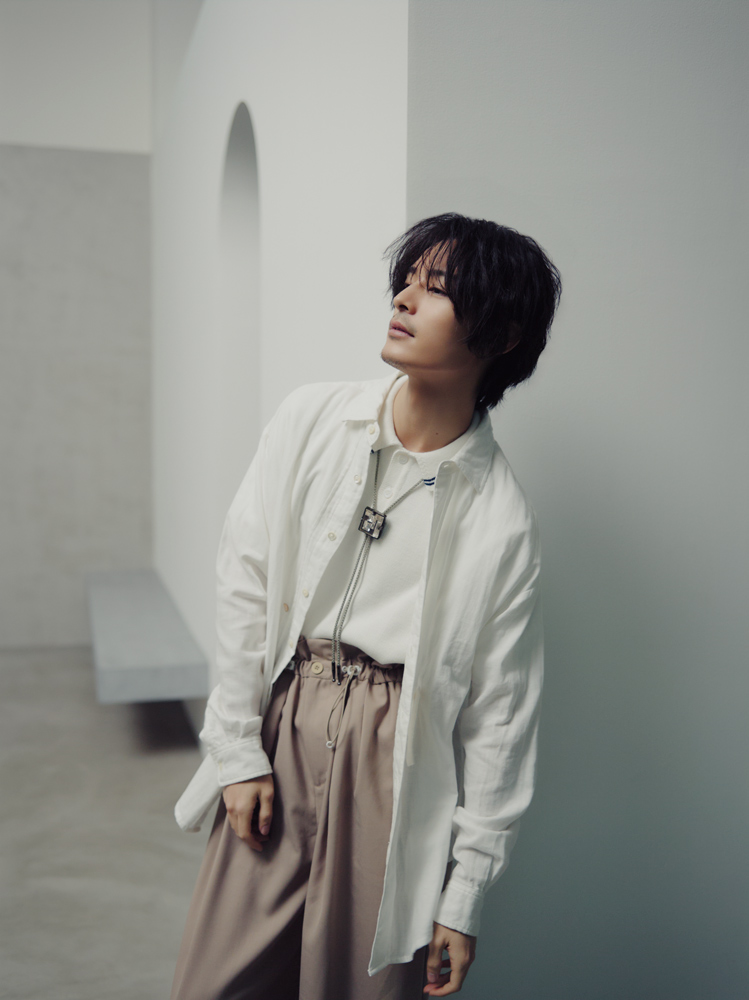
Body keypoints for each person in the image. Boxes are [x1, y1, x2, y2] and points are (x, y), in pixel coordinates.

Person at [170, 212, 562, 1000]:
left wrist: (463, 897)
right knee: (215, 984)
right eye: (406, 280)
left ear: (502, 333)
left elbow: (501, 719)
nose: (404, 299)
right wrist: (238, 748)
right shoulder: (312, 418)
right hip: (286, 719)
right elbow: (245, 580)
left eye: (436, 287)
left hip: (393, 762)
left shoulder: (499, 518)